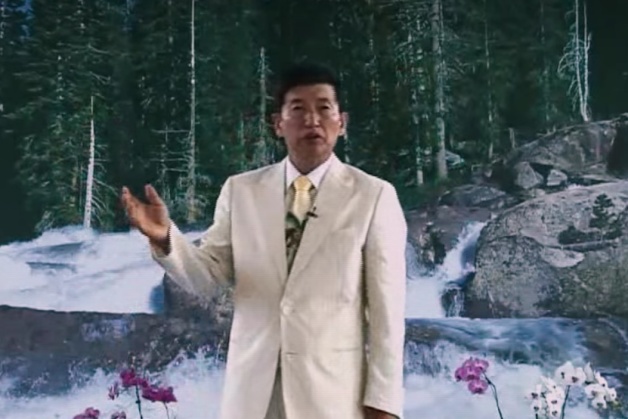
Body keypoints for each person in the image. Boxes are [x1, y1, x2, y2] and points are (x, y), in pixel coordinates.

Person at [120, 62, 407, 419]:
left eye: (324, 108)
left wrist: (384, 403)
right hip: (252, 397)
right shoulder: (241, 191)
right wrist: (165, 237)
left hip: (333, 398)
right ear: (278, 124)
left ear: (342, 122)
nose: (312, 120)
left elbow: (387, 315)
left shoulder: (374, 196)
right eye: (298, 109)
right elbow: (207, 278)